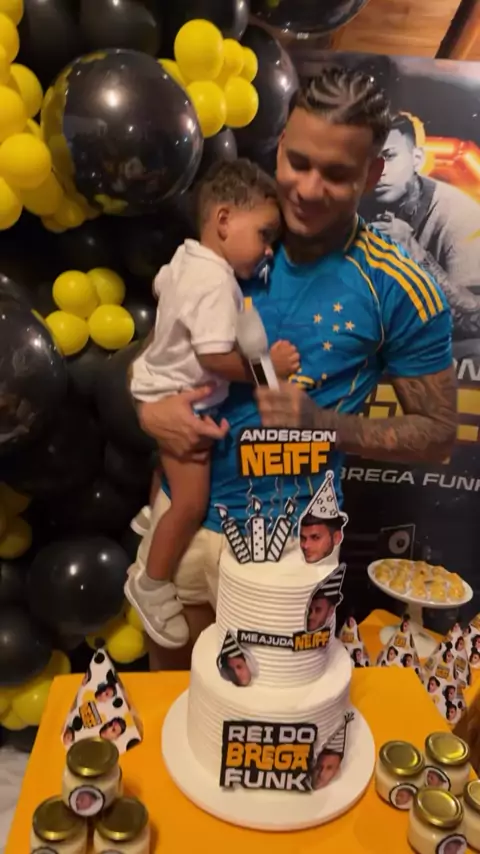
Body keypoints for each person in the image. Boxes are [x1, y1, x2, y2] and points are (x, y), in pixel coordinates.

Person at [135, 65, 456, 671]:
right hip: (184, 522)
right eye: (298, 162)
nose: (308, 189)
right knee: (173, 703)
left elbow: (439, 434)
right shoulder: (232, 236)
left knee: (267, 711)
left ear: (372, 174)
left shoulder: (397, 286)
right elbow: (159, 354)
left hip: (288, 553)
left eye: (335, 174)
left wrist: (323, 423)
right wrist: (149, 411)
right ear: (279, 146)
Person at [126, 160, 292, 648]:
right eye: (264, 234)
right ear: (223, 220)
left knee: (168, 473)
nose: (268, 250)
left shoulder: (186, 259)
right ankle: (151, 584)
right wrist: (269, 369)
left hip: (159, 386)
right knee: (190, 501)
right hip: (184, 402)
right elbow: (215, 357)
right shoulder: (218, 281)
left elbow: (162, 285)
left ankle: (151, 514)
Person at [361, 112, 480, 353]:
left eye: (389, 156)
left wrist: (414, 253)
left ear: (417, 159)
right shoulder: (352, 204)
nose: (379, 170)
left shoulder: (459, 214)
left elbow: (475, 322)